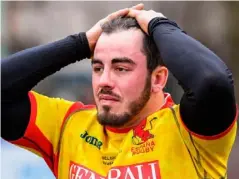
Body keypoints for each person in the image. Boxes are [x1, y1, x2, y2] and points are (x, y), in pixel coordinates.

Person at [2, 4, 238, 179]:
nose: (104, 80)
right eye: (97, 67)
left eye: (121, 68)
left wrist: (160, 26)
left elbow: (212, 83)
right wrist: (80, 43)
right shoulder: (66, 125)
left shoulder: (189, 132)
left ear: (158, 78)